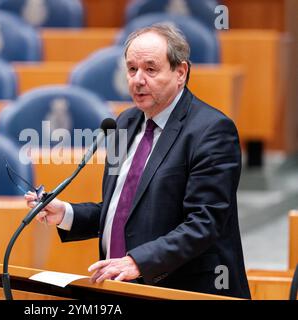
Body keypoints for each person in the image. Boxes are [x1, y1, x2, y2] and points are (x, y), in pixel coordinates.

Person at [26, 23, 251, 298]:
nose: (137, 79)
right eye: (132, 69)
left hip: (186, 290)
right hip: (123, 287)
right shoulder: (125, 122)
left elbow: (205, 223)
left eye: (150, 69)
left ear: (181, 72)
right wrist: (66, 214)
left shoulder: (212, 130)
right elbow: (122, 211)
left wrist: (138, 262)